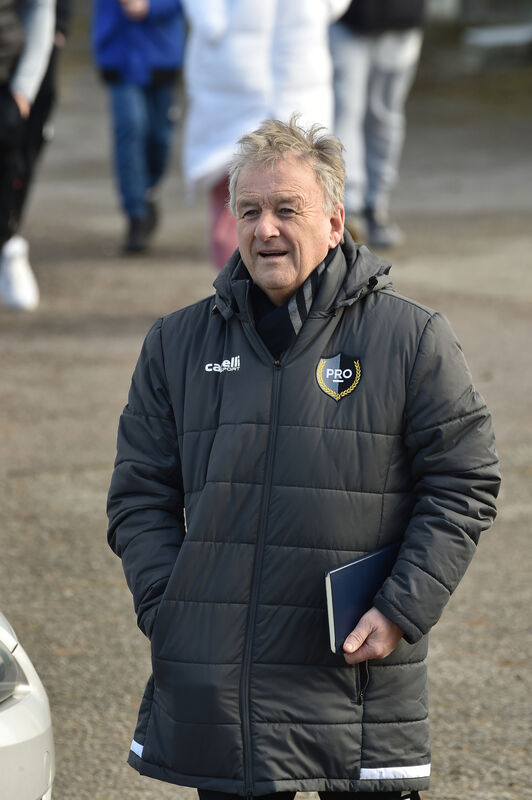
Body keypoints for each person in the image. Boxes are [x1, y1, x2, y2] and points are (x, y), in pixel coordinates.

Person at [107, 117, 500, 798]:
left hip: (357, 678)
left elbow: (464, 481)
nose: (265, 229)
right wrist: (170, 605)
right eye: (250, 211)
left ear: (335, 221)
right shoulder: (175, 344)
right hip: (225, 687)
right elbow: (139, 494)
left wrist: (403, 608)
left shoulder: (412, 338)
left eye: (287, 209)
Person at [181, 0, 350, 270]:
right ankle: (236, 298)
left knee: (304, 195)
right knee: (234, 197)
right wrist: (212, 21)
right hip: (231, 81)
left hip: (298, 81)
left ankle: (302, 297)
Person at [91, 0, 185, 254]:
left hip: (161, 51)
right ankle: (136, 214)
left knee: (159, 136)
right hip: (118, 51)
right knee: (130, 128)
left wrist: (151, 7)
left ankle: (148, 191)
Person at [330, 0, 425, 248]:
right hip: (347, 20)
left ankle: (376, 206)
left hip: (402, 19)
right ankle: (349, 207)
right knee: (346, 113)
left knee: (385, 115)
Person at [0, 0, 55, 311]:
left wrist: (23, 89)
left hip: (7, 85)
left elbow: (40, 9)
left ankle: (9, 244)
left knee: (13, 171)